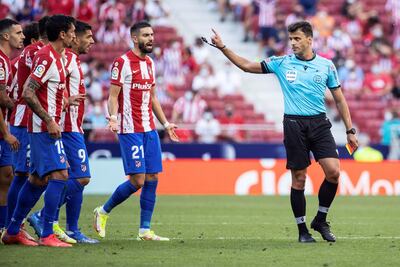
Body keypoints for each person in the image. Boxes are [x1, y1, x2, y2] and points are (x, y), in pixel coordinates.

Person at [208, 21, 358, 243]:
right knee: (299, 179)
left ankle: (320, 219)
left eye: (297, 39)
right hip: (294, 124)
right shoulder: (282, 63)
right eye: (291, 39)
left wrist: (350, 130)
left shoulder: (326, 66)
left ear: (309, 39)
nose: (293, 43)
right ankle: (302, 232)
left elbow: (339, 99)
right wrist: (223, 48)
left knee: (334, 172)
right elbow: (247, 66)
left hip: (319, 124)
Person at [93, 21, 179, 241]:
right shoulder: (121, 62)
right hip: (129, 128)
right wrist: (112, 117)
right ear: (134, 38)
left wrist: (166, 123)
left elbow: (153, 98)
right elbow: (112, 96)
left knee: (152, 178)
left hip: (149, 128)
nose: (151, 38)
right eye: (146, 35)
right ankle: (102, 211)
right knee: (137, 180)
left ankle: (145, 230)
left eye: (152, 34)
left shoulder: (150, 63)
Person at [2, 14, 76, 247]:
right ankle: (47, 234)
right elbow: (27, 91)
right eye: (72, 31)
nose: (74, 35)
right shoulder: (45, 56)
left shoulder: (56, 56)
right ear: (62, 34)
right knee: (61, 175)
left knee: (37, 179)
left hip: (45, 126)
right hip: (43, 128)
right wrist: (49, 120)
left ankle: (13, 229)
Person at [27, 20, 98, 244]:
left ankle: (71, 228)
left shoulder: (72, 59)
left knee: (58, 177)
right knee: (80, 177)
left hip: (73, 125)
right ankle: (44, 218)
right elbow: (47, 91)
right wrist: (57, 114)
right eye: (88, 37)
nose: (92, 41)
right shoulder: (63, 59)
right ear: (73, 37)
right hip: (65, 126)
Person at [6, 17, 48, 239]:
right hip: (24, 119)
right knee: (23, 174)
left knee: (25, 174)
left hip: (28, 118)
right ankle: (12, 226)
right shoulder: (35, 51)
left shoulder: (27, 54)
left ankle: (13, 224)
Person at [0, 18, 23, 238]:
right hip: (2, 131)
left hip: (4, 128)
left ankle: (5, 227)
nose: (22, 36)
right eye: (18, 33)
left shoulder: (7, 61)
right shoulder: (0, 61)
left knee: (7, 176)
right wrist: (6, 133)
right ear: (6, 36)